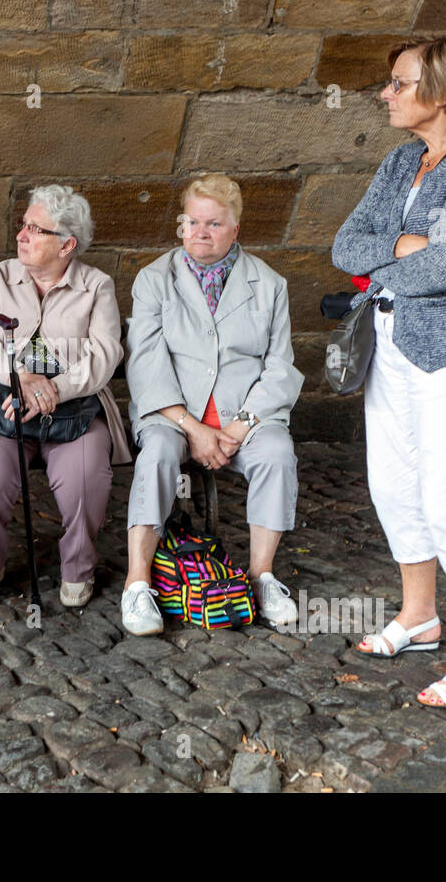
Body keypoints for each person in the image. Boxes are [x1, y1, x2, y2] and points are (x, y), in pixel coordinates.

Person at [332, 37, 446, 708]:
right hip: (390, 341)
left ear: (441, 92)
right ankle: (419, 615)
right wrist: (408, 245)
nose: (387, 94)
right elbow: (343, 245)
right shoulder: (401, 159)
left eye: (399, 84)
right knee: (394, 483)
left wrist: (405, 256)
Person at [123, 174, 303, 636]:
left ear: (235, 229)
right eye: (193, 222)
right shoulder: (154, 279)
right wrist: (193, 428)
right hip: (172, 415)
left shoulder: (269, 284)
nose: (201, 232)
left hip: (244, 417)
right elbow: (145, 365)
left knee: (277, 455)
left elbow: (280, 367)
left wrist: (239, 426)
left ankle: (261, 576)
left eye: (215, 224)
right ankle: (138, 584)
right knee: (159, 455)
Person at [0, 185, 131, 607]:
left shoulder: (96, 286)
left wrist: (55, 389)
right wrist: (20, 379)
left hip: (75, 408)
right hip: (0, 402)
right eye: (23, 225)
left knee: (85, 481)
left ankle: (77, 568)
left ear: (68, 244)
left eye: (36, 229)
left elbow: (105, 354)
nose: (22, 236)